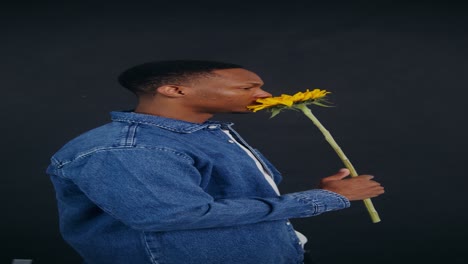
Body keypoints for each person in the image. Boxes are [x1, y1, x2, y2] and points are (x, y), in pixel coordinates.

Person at [47, 60, 384, 264]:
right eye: (248, 86)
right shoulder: (125, 150)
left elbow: (226, 202)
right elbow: (177, 215)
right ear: (175, 91)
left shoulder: (205, 133)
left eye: (261, 86)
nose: (264, 94)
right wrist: (324, 199)